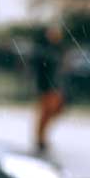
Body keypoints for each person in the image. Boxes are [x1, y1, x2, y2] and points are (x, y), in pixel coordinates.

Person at [32, 22, 68, 153]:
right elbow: (41, 69)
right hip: (47, 86)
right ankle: (40, 138)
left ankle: (41, 137)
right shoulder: (44, 50)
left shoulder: (59, 49)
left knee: (54, 111)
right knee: (46, 112)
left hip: (56, 86)